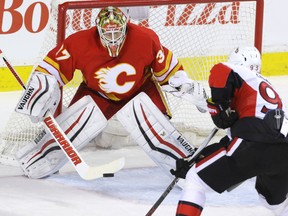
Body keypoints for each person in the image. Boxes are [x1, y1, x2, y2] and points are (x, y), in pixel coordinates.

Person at [14, 6, 206, 179]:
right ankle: (39, 157)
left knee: (155, 126)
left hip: (140, 90)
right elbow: (51, 69)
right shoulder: (79, 42)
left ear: (126, 27)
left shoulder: (145, 38)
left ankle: (185, 166)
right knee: (77, 121)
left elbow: (168, 72)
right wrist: (41, 89)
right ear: (98, 29)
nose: (113, 39)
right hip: (97, 93)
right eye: (107, 33)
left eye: (117, 33)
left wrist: (186, 87)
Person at [171, 46, 288, 216]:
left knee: (195, 179)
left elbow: (221, 71)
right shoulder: (264, 91)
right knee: (273, 202)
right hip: (283, 151)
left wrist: (219, 105)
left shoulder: (234, 70)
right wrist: (200, 156)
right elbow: (235, 143)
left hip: (253, 143)